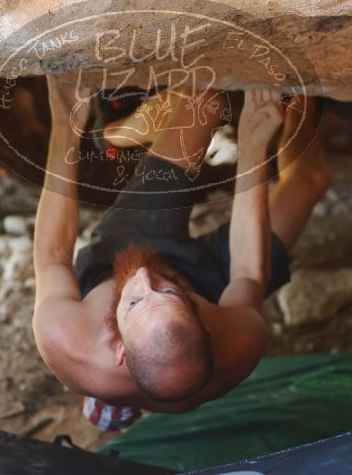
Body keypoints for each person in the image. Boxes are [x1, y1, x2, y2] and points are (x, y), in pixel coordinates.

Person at [32, 75, 329, 429]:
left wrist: (66, 124)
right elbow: (248, 272)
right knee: (309, 182)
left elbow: (52, 253)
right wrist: (253, 143)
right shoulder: (239, 343)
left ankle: (113, 134)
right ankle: (304, 102)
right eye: (169, 292)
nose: (144, 278)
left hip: (123, 249)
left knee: (205, 101)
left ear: (120, 349)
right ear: (206, 325)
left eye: (134, 303)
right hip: (211, 279)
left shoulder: (67, 340)